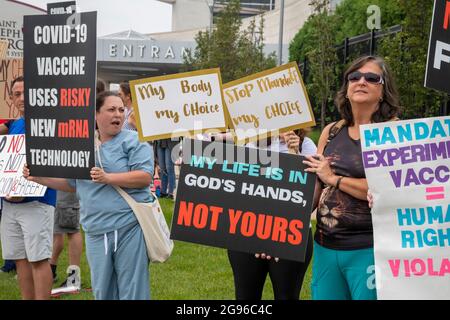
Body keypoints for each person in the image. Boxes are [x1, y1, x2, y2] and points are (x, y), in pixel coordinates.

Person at [24, 91, 154, 300]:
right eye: (111, 110)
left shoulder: (134, 140)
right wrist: (38, 178)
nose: (118, 115)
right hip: (95, 229)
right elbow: (73, 184)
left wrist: (108, 178)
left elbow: (145, 177)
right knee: (102, 290)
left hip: (128, 227)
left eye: (121, 110)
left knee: (133, 289)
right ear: (95, 114)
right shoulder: (83, 145)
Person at [302, 55, 400, 300]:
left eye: (371, 77)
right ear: (346, 89)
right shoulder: (332, 130)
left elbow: (387, 190)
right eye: (354, 77)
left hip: (369, 248)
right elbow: (315, 183)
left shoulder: (394, 132)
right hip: (325, 245)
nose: (361, 81)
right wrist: (276, 230)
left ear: (383, 89)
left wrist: (333, 178)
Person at [227, 130, 316, 300]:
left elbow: (311, 195)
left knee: (287, 295)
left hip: (290, 234)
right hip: (248, 234)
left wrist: (295, 155)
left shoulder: (306, 146)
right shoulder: (250, 144)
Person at [0, 76, 57, 299]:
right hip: (9, 202)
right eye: (17, 94)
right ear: (12, 99)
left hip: (37, 201)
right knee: (20, 259)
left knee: (39, 259)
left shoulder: (48, 122)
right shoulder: (14, 124)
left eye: (27, 92)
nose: (22, 98)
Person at [49, 191, 83, 294]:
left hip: (66, 180)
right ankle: (50, 272)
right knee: (56, 228)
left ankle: (73, 280)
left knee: (71, 229)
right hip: (52, 182)